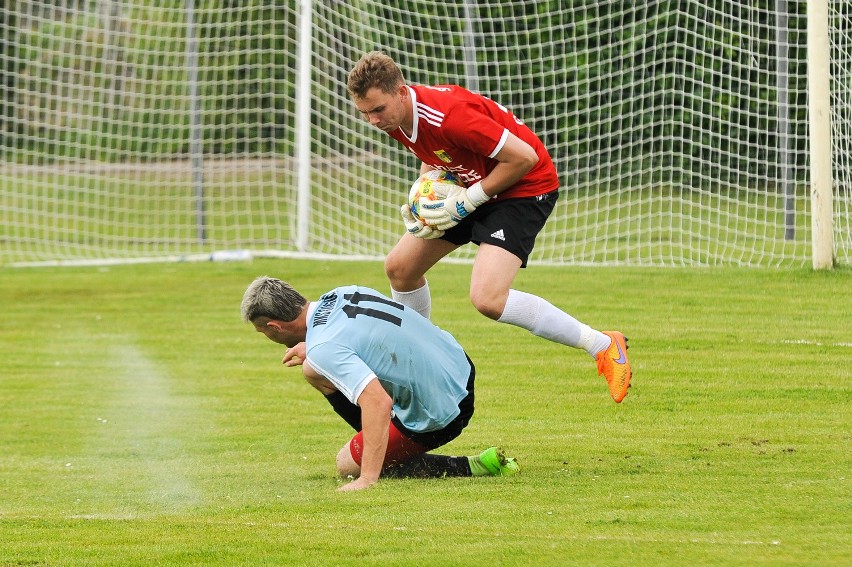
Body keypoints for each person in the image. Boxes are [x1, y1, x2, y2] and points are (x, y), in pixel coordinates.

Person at [346, 51, 633, 403]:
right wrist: (424, 196)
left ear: (402, 92)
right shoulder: (398, 118)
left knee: (487, 298)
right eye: (365, 114)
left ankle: (603, 345)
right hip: (474, 185)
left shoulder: (450, 117)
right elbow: (432, 151)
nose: (373, 120)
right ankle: (419, 358)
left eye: (378, 110)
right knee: (400, 268)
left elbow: (524, 157)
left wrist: (469, 201)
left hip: (524, 187)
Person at [241, 276, 519, 492]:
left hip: (445, 409)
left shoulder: (324, 346)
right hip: (458, 365)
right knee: (313, 369)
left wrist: (367, 478)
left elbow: (377, 401)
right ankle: (385, 443)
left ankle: (472, 466)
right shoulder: (340, 293)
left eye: (262, 331)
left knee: (346, 463)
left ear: (274, 327)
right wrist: (313, 348)